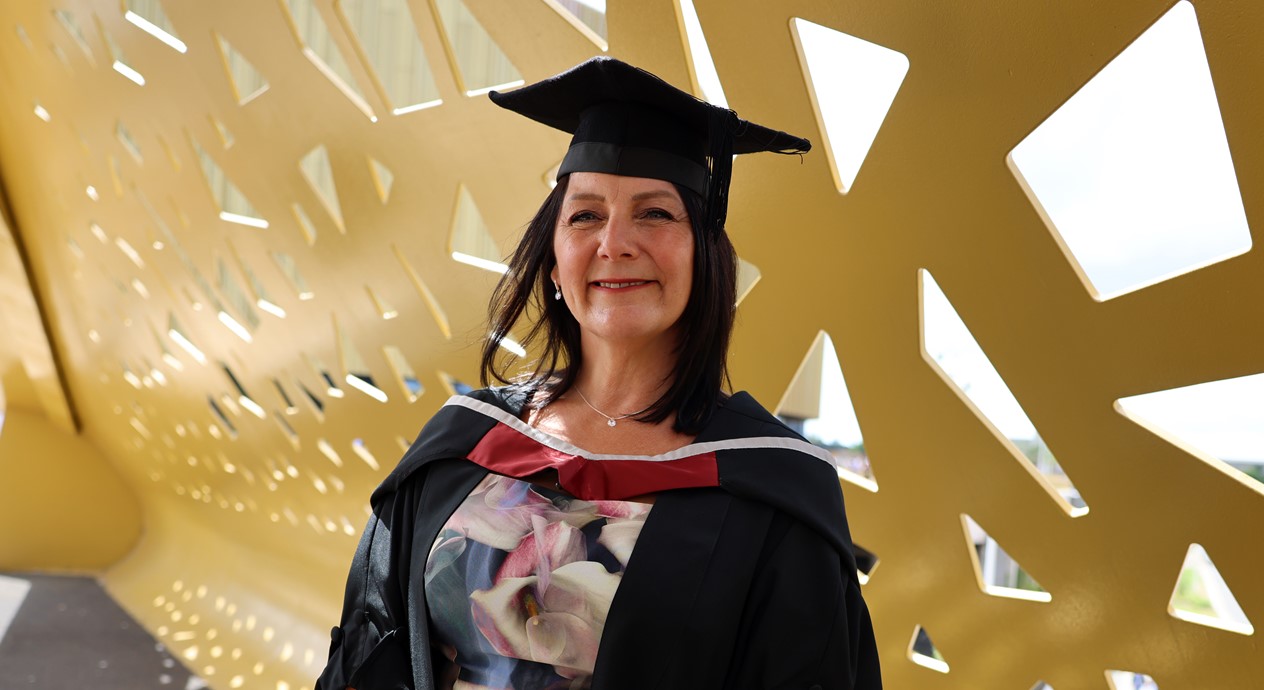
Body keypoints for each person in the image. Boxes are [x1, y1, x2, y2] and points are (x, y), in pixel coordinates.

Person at [315, 56, 880, 690]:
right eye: (585, 216)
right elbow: (368, 649)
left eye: (656, 214)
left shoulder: (772, 486)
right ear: (554, 263)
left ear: (705, 258)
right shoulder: (462, 445)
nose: (615, 242)